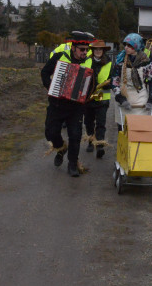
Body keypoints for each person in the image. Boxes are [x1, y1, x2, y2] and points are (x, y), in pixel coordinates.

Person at [40, 31, 94, 177]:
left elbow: (92, 84)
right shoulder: (60, 57)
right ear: (73, 48)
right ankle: (61, 148)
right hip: (57, 103)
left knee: (75, 135)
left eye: (86, 50)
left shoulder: (89, 61)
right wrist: (51, 86)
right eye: (82, 50)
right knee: (50, 133)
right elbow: (44, 72)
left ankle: (72, 165)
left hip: (76, 107)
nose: (85, 53)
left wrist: (86, 96)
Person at [112, 33, 152, 128]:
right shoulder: (120, 61)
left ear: (136, 46)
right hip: (124, 98)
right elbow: (114, 81)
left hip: (141, 99)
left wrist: (151, 100)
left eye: (129, 45)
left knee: (139, 130)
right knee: (124, 131)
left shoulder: (145, 61)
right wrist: (120, 98)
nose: (126, 48)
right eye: (125, 45)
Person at [82, 39, 113, 159]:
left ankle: (100, 145)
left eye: (100, 49)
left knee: (101, 123)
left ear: (103, 51)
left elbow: (113, 79)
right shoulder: (87, 61)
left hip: (102, 98)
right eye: (96, 49)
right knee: (89, 122)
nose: (98, 51)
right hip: (88, 98)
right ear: (93, 50)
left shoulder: (109, 63)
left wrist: (107, 84)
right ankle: (90, 141)